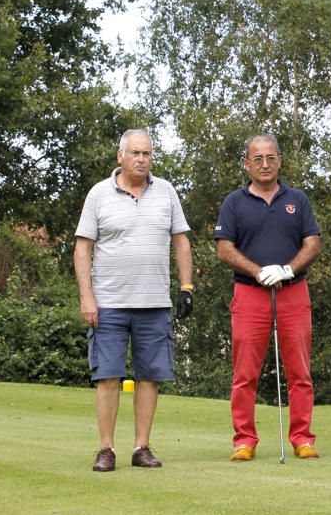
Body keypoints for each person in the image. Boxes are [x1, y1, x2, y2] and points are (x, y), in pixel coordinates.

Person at [74, 128, 194, 472]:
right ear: (121, 156)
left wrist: (187, 287)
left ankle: (142, 447)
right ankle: (106, 449)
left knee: (150, 377)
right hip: (108, 302)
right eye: (135, 153)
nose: (142, 159)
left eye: (147, 154)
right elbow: (83, 249)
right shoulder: (99, 194)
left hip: (154, 302)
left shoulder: (166, 192)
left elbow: (181, 242)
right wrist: (87, 297)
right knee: (108, 376)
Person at [215, 134, 322, 462]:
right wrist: (258, 270)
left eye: (270, 158)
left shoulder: (297, 200)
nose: (265, 164)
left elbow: (312, 243)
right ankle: (244, 439)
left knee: (300, 372)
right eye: (257, 159)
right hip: (249, 294)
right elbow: (224, 248)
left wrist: (287, 269)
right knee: (245, 372)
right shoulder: (234, 202)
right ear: (246, 163)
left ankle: (302, 438)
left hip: (293, 292)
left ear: (279, 160)